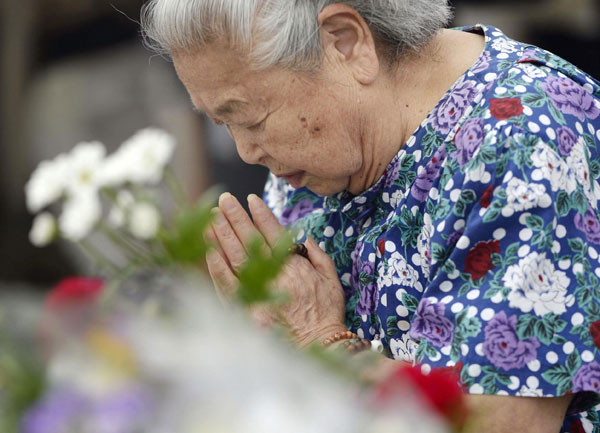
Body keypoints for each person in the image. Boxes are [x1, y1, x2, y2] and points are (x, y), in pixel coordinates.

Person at [141, 1, 600, 431]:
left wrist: (318, 339)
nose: (246, 151)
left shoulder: (523, 141)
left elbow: (498, 422)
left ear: (345, 42)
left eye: (252, 119)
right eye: (223, 124)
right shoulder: (323, 150)